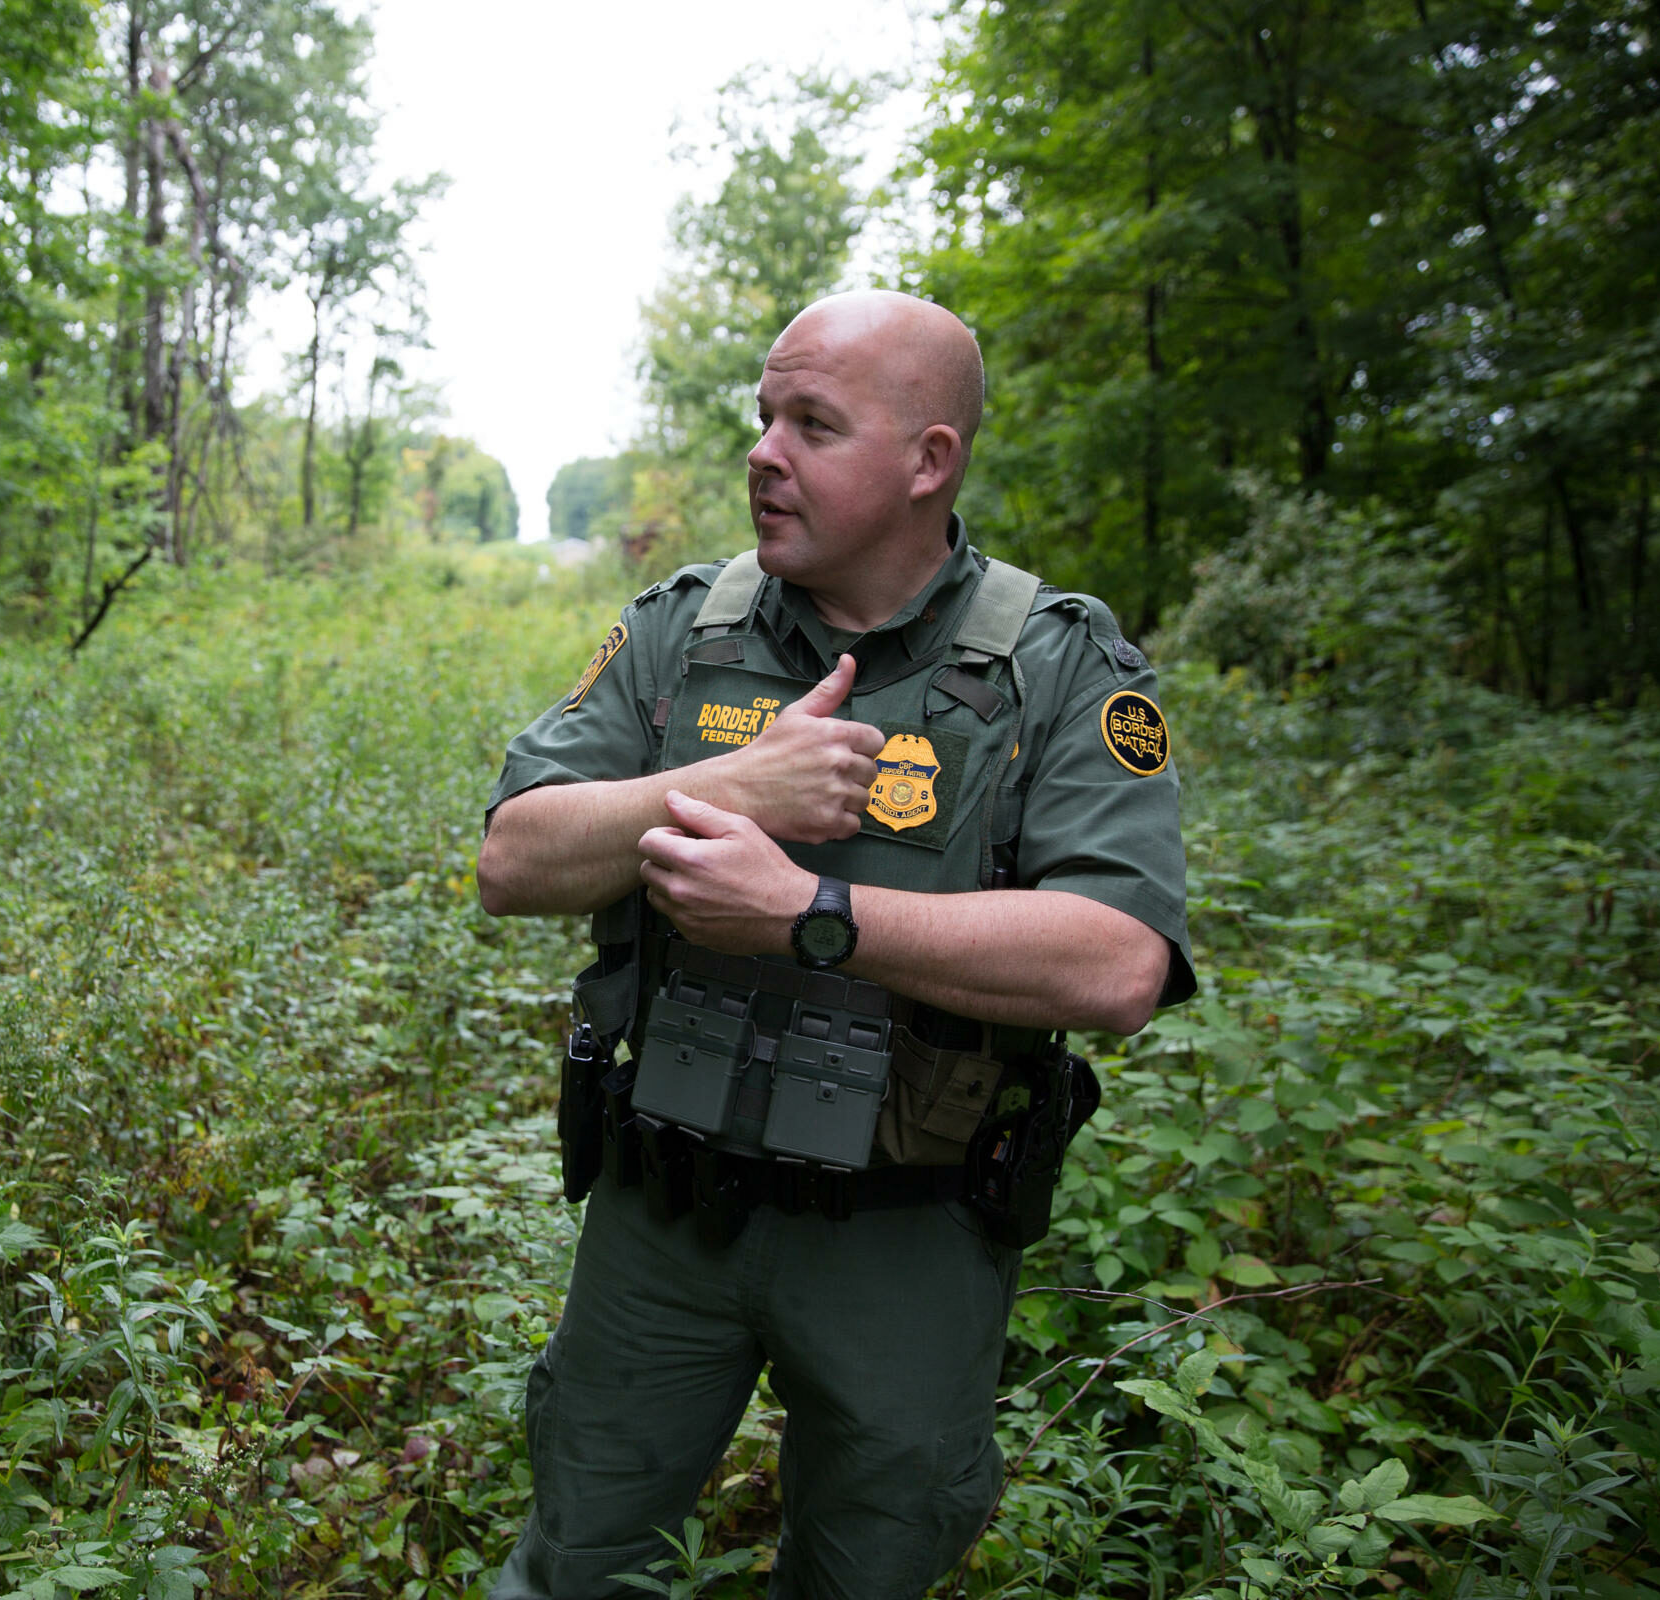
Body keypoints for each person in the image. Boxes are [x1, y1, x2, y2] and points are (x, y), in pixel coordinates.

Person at [476, 290, 1196, 1599]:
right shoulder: (682, 633)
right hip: (664, 1217)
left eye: (814, 422)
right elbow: (513, 855)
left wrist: (815, 915)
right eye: (764, 417)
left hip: (906, 1243)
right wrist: (725, 793)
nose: (764, 451)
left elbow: (1118, 963)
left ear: (929, 462)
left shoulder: (1058, 668)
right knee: (573, 1562)